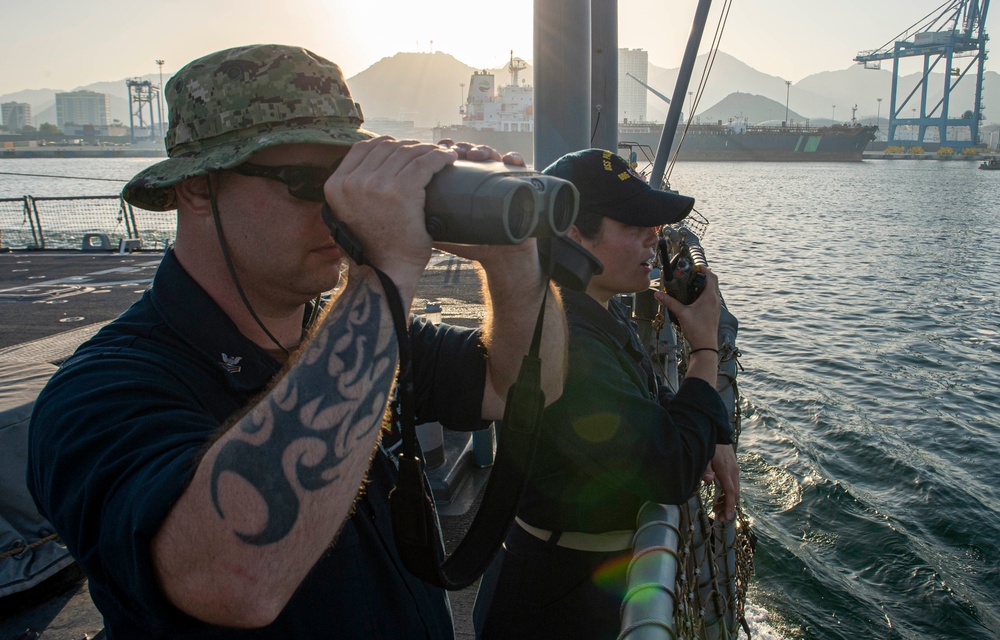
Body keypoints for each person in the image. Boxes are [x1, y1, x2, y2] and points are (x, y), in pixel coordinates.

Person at [26, 44, 565, 638]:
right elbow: (232, 581)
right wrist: (382, 270)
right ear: (199, 190)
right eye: (311, 182)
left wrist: (515, 261)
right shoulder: (101, 390)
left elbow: (518, 386)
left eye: (348, 180)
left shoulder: (353, 334)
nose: (340, 211)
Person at [473, 148, 739, 640]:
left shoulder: (593, 305)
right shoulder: (570, 342)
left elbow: (653, 399)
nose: (653, 241)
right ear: (575, 237)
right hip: (555, 602)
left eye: (654, 228)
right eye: (636, 227)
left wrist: (713, 433)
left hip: (576, 576)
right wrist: (704, 348)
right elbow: (670, 468)